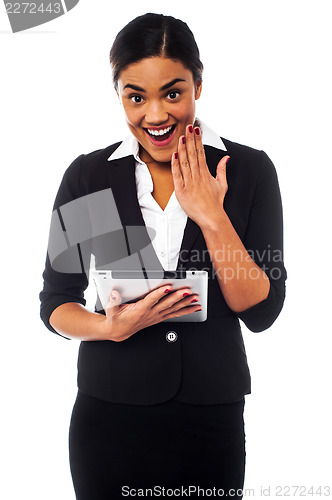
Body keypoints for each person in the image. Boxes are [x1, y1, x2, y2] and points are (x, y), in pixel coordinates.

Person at [40, 12, 287, 500]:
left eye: (173, 93)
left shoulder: (250, 171)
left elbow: (261, 311)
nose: (155, 115)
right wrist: (109, 327)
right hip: (107, 419)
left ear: (198, 85)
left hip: (209, 419)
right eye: (136, 96)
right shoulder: (89, 177)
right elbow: (56, 303)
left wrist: (212, 216)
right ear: (119, 95)